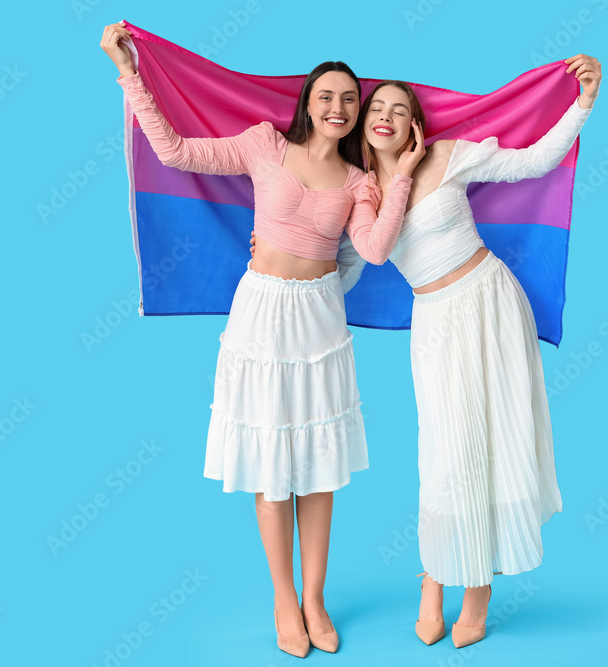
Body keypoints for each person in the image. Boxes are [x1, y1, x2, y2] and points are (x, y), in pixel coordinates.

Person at [254, 54, 601, 649]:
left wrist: (583, 104)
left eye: (400, 109)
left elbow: (535, 161)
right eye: (377, 108)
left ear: (415, 123)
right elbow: (350, 266)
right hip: (435, 320)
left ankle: (477, 591)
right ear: (362, 123)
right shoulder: (361, 190)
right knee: (444, 449)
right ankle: (434, 577)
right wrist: (280, 268)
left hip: (488, 302)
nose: (385, 116)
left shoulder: (450, 155)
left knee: (496, 436)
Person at [101, 22, 424, 658]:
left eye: (349, 100)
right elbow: (176, 153)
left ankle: (314, 598)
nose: (338, 107)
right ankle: (283, 601)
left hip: (320, 320)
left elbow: (376, 251)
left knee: (320, 467)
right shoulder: (262, 147)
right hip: (260, 315)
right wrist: (128, 72)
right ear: (307, 102)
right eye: (327, 96)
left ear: (357, 114)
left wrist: (405, 171)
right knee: (272, 465)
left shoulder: (363, 182)